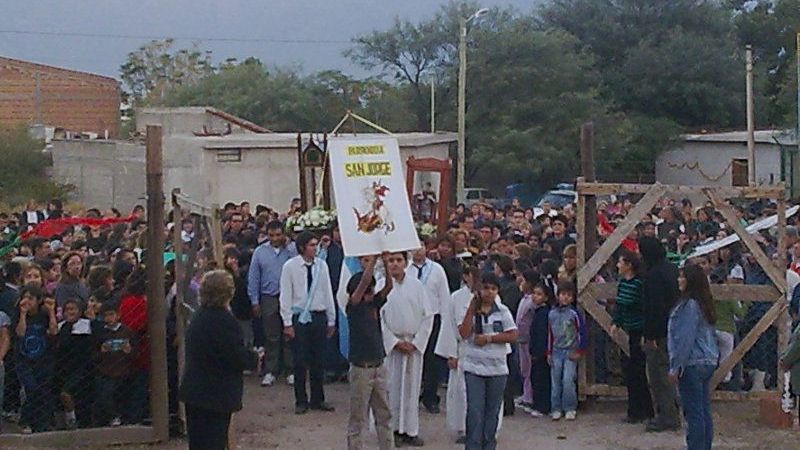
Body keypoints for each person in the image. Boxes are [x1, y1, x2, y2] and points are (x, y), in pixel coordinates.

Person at [180, 270, 259, 450]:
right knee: (214, 441)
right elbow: (235, 355)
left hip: (195, 392)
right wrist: (253, 357)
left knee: (198, 442)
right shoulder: (225, 321)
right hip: (214, 395)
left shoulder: (199, 316)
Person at [458, 273, 518, 450]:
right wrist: (471, 309)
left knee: (492, 413)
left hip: (497, 370)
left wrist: (489, 339)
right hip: (474, 368)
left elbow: (513, 335)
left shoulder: (503, 311)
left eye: (493, 289)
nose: (489, 292)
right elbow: (463, 333)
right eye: (486, 288)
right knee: (475, 411)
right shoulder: (469, 309)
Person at [279, 231, 336, 414]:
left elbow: (327, 292)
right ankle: (301, 400)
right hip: (299, 318)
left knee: (319, 360)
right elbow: (285, 296)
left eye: (316, 245)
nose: (315, 248)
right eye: (311, 245)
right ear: (302, 247)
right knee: (300, 361)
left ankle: (318, 398)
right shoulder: (290, 267)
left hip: (318, 315)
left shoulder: (322, 266)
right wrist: (287, 322)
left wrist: (331, 319)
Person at [381, 251, 434, 447]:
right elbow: (378, 318)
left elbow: (428, 315)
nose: (395, 264)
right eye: (391, 260)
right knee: (391, 388)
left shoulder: (417, 286)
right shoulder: (381, 285)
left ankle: (411, 430)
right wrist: (394, 342)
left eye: (399, 260)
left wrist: (417, 343)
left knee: (411, 389)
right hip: (393, 348)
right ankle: (392, 429)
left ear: (405, 262)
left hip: (412, 345)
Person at [345, 254, 394, 450]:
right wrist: (374, 259)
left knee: (384, 414)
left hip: (378, 365)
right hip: (361, 368)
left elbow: (389, 286)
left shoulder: (374, 303)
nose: (372, 292)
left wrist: (386, 263)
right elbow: (364, 281)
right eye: (370, 290)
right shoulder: (354, 307)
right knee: (358, 417)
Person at [668, 264, 719, 450]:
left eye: (683, 277)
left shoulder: (689, 305)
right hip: (707, 360)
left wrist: (676, 366)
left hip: (692, 362)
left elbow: (685, 339)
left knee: (693, 412)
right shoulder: (703, 304)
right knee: (703, 410)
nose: (679, 280)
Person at [639, 236, 681, 432]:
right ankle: (672, 411)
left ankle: (667, 416)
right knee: (668, 374)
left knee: (659, 376)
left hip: (659, 333)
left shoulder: (653, 275)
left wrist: (650, 335)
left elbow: (654, 308)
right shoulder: (671, 269)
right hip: (673, 329)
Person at [248, 220, 297, 387]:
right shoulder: (260, 252)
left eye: (278, 235)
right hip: (268, 296)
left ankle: (290, 370)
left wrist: (289, 246)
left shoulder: (291, 250)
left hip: (289, 296)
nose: (275, 238)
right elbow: (254, 277)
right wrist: (255, 301)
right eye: (271, 235)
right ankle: (270, 370)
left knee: (289, 333)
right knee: (271, 335)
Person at [435, 266, 480, 443]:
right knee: (461, 391)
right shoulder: (456, 298)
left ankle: (483, 428)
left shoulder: (491, 296)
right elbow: (449, 326)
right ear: (466, 276)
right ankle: (463, 428)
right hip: (462, 349)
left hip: (483, 350)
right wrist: (450, 353)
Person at [611, 250, 654, 423]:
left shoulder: (639, 284)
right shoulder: (623, 283)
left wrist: (645, 332)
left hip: (638, 330)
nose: (618, 265)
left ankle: (643, 410)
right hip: (627, 330)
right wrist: (616, 322)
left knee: (638, 371)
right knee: (629, 371)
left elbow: (645, 309)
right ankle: (635, 409)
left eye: (620, 262)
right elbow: (620, 306)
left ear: (628, 265)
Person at [407, 246, 450, 414]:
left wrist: (446, 321)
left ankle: (430, 397)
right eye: (415, 248)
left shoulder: (437, 269)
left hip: (433, 317)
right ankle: (410, 396)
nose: (418, 251)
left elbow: (444, 296)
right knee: (412, 357)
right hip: (412, 317)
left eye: (421, 247)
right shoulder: (406, 268)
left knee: (432, 360)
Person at [14, 284, 58, 433]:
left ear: (39, 300)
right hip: (24, 359)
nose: (27, 301)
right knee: (31, 387)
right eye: (25, 297)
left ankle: (42, 423)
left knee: (44, 390)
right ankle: (25, 420)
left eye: (31, 298)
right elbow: (20, 333)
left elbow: (53, 331)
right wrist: (23, 314)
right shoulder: (18, 314)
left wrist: (51, 312)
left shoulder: (43, 315)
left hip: (43, 358)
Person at [547, 280, 584, 421]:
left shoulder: (574, 314)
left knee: (568, 380)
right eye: (563, 294)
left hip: (570, 351)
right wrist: (548, 352)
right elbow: (549, 334)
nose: (565, 297)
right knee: (555, 381)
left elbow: (582, 332)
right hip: (556, 351)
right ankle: (556, 408)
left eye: (569, 295)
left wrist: (579, 351)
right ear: (558, 296)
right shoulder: (551, 314)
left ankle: (569, 407)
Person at [93, 301, 135, 427]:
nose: (109, 318)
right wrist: (101, 352)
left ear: (118, 315)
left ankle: (124, 417)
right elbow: (93, 354)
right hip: (105, 371)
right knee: (105, 396)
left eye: (111, 314)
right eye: (106, 315)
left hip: (123, 370)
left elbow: (135, 353)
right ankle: (112, 416)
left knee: (122, 396)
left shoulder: (127, 331)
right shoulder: (100, 332)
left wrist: (129, 351)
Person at [528, 281, 554, 417]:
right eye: (534, 293)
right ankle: (537, 404)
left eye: (539, 294)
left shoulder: (544, 313)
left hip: (541, 353)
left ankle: (543, 406)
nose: (535, 296)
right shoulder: (538, 311)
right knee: (536, 377)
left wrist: (539, 351)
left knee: (541, 379)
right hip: (536, 351)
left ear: (546, 297)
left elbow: (542, 334)